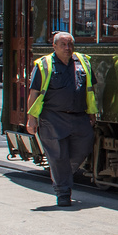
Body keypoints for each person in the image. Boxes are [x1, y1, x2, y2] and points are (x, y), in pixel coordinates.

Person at [25, 32, 98, 207]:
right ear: (54, 46)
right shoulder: (44, 65)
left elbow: (90, 89)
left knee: (85, 146)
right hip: (53, 117)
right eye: (63, 45)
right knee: (58, 156)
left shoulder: (83, 62)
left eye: (70, 44)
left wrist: (92, 113)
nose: (68, 48)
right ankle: (63, 193)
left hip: (79, 116)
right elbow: (34, 93)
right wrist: (31, 119)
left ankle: (62, 173)